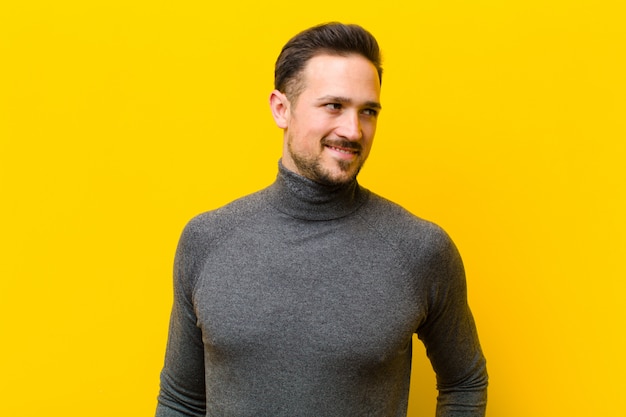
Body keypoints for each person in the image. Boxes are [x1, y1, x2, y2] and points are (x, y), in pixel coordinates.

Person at [156, 22, 488, 417]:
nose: (353, 130)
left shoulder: (420, 249)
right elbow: (181, 400)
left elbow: (465, 382)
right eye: (334, 106)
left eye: (368, 111)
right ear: (281, 108)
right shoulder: (207, 240)